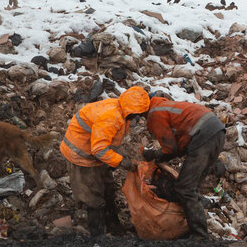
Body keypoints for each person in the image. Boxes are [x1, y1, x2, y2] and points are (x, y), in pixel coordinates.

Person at [60, 86, 151, 235]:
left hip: (93, 154)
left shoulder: (120, 110)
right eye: (137, 114)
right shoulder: (111, 117)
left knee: (108, 189)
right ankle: (97, 236)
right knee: (92, 196)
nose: (138, 117)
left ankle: (114, 227)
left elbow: (108, 141)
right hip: (81, 156)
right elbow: (99, 149)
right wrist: (122, 162)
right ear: (131, 110)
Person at [143, 93, 226, 238]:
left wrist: (155, 155)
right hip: (216, 131)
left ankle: (199, 235)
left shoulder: (155, 113)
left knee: (185, 187)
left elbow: (171, 148)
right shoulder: (165, 106)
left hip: (204, 135)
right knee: (191, 187)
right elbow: (178, 147)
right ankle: (193, 229)